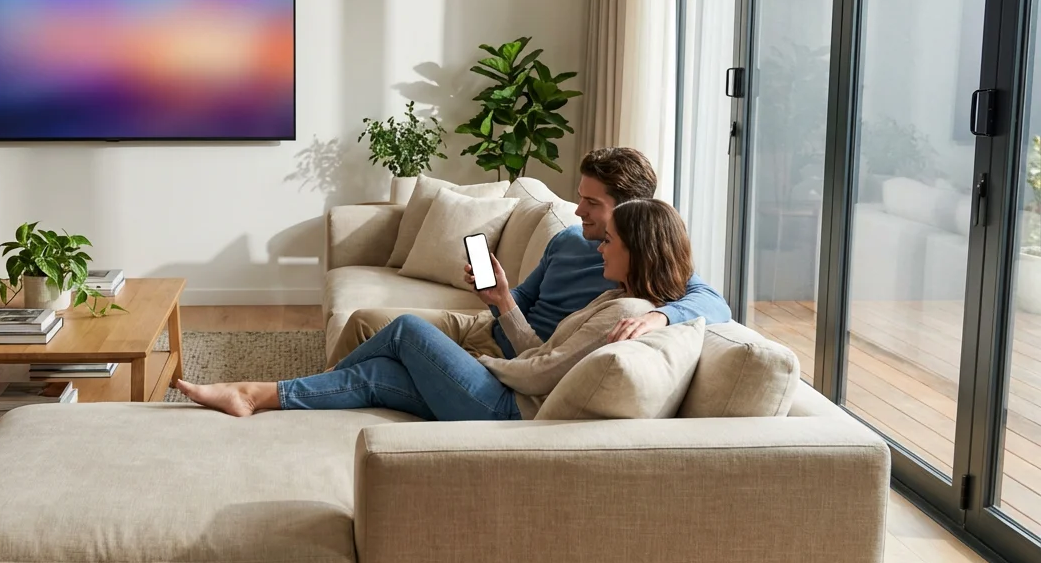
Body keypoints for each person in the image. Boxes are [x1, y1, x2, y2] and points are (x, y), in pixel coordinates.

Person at [176, 197, 694, 420]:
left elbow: (537, 377)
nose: (601, 245)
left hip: (507, 410)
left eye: (613, 240)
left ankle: (271, 389)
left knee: (405, 330)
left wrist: (483, 363)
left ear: (641, 250)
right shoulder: (616, 298)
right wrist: (503, 302)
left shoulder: (625, 308)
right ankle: (255, 396)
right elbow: (543, 353)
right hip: (509, 397)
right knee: (375, 375)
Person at [324, 147, 730, 367]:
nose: (577, 210)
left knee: (396, 348)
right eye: (579, 197)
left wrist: (659, 315)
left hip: (516, 354)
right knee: (363, 320)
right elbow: (523, 298)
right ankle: (329, 393)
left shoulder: (643, 262)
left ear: (630, 208)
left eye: (591, 202)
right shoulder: (569, 240)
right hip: (483, 325)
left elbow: (714, 303)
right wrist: (498, 294)